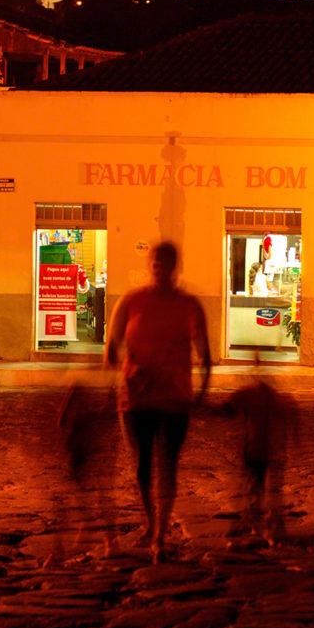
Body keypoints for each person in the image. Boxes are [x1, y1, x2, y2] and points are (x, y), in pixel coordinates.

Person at [105, 241, 211, 562]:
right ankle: (151, 523)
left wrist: (202, 394)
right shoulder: (131, 301)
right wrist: (127, 368)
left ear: (176, 266)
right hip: (136, 400)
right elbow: (111, 348)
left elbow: (205, 355)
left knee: (167, 466)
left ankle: (161, 533)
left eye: (165, 262)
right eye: (155, 261)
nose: (159, 267)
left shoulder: (190, 305)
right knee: (141, 467)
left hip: (175, 399)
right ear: (149, 264)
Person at [223, 357, 299, 546]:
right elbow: (291, 419)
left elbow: (227, 409)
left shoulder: (249, 394)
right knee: (269, 489)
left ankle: (252, 523)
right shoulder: (276, 398)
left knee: (252, 486)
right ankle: (269, 526)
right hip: (270, 450)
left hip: (254, 448)